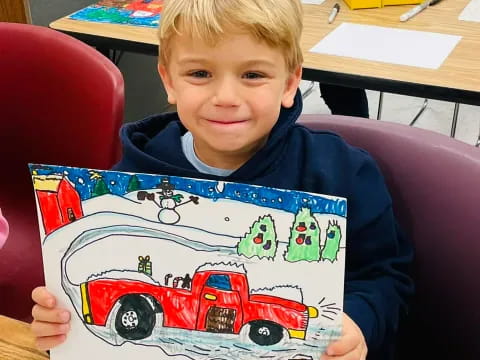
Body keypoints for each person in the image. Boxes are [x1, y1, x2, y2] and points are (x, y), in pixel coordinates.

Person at [30, 0, 413, 359]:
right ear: (169, 80)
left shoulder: (343, 171)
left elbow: (386, 278)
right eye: (200, 73)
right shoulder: (130, 181)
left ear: (289, 82)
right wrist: (57, 322)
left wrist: (361, 322)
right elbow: (75, 308)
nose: (226, 96)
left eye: (253, 74)